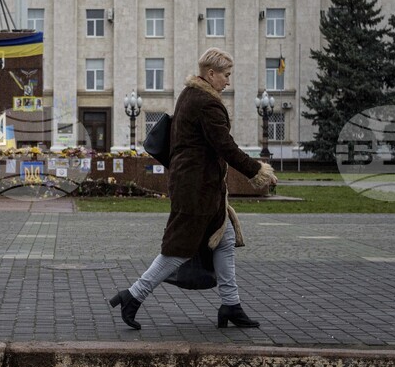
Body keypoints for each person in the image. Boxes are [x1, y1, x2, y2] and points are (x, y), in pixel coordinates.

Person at [110, 48, 277, 330]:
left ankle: (231, 305)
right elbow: (225, 146)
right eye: (225, 75)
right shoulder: (206, 104)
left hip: (199, 188)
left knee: (223, 241)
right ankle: (133, 296)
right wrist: (258, 172)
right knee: (178, 250)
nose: (228, 81)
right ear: (210, 74)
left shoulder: (189, 95)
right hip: (197, 191)